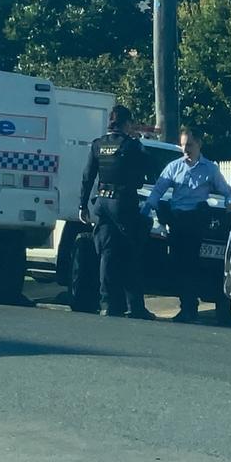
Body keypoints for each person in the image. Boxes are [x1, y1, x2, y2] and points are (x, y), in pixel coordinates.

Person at [142, 126, 231, 323]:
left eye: (190, 145)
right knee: (178, 265)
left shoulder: (210, 169)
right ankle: (185, 306)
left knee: (191, 265)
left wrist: (230, 204)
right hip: (177, 221)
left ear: (199, 144)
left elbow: (226, 192)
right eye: (183, 145)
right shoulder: (174, 167)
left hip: (196, 221)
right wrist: (148, 207)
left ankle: (190, 307)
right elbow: (158, 190)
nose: (186, 149)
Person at [79, 105, 155, 320]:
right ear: (127, 123)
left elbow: (87, 177)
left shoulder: (98, 145)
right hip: (123, 203)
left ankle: (107, 304)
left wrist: (82, 206)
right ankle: (135, 306)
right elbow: (149, 166)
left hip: (102, 202)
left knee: (107, 255)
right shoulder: (131, 146)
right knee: (131, 254)